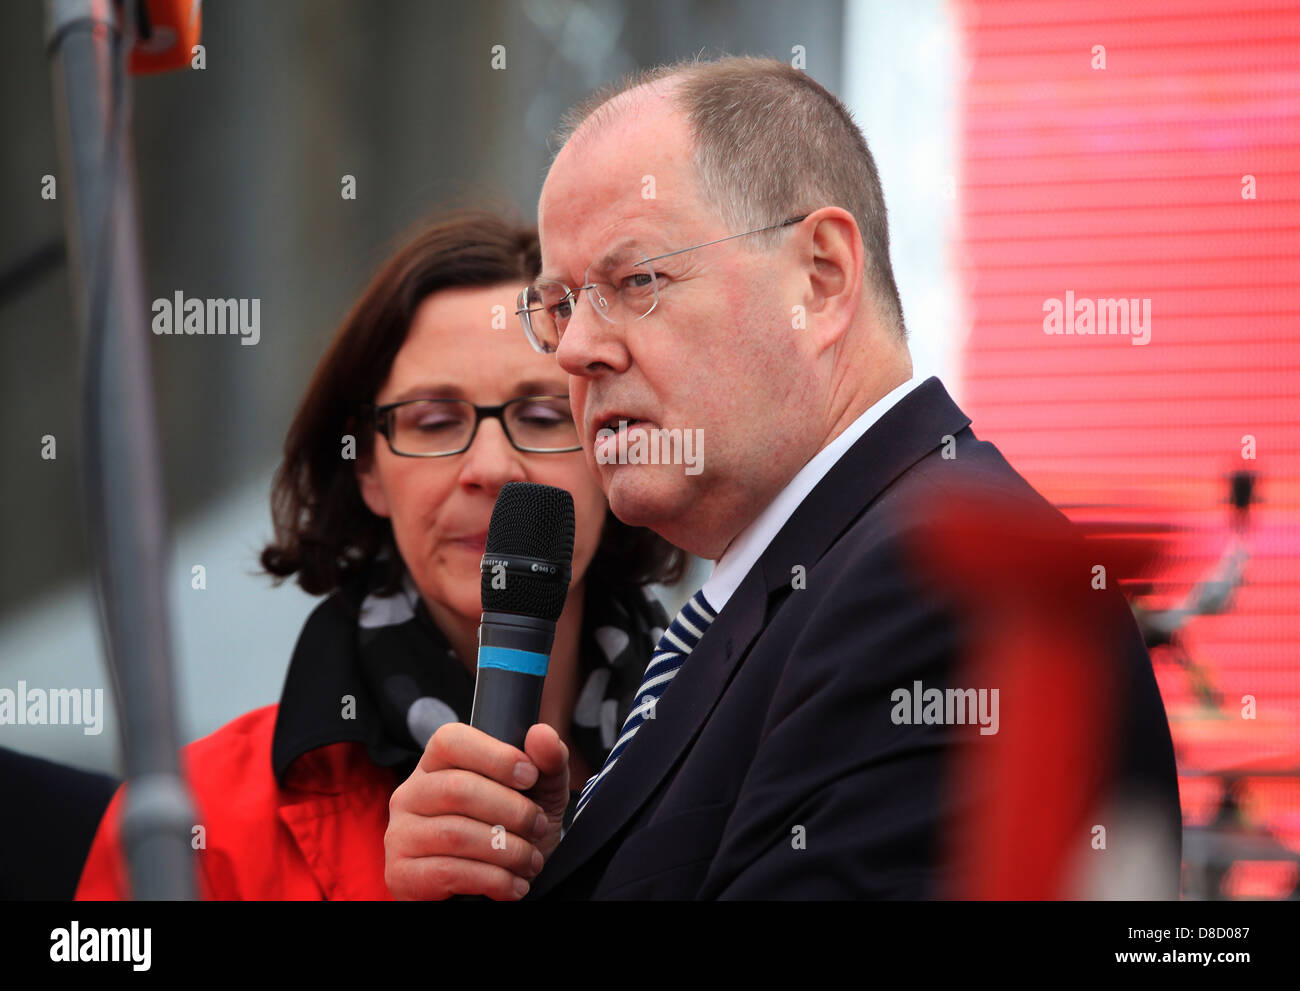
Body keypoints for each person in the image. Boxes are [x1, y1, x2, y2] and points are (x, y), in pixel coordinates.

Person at [384, 57, 1183, 900]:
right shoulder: (810, 580)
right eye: (561, 304)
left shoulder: (931, 590)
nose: (578, 348)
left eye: (636, 281)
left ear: (824, 276)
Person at [74, 210, 683, 900]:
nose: (491, 465)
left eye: (543, 415)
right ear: (366, 468)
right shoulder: (191, 824)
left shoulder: (733, 751)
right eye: (433, 420)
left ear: (612, 443)